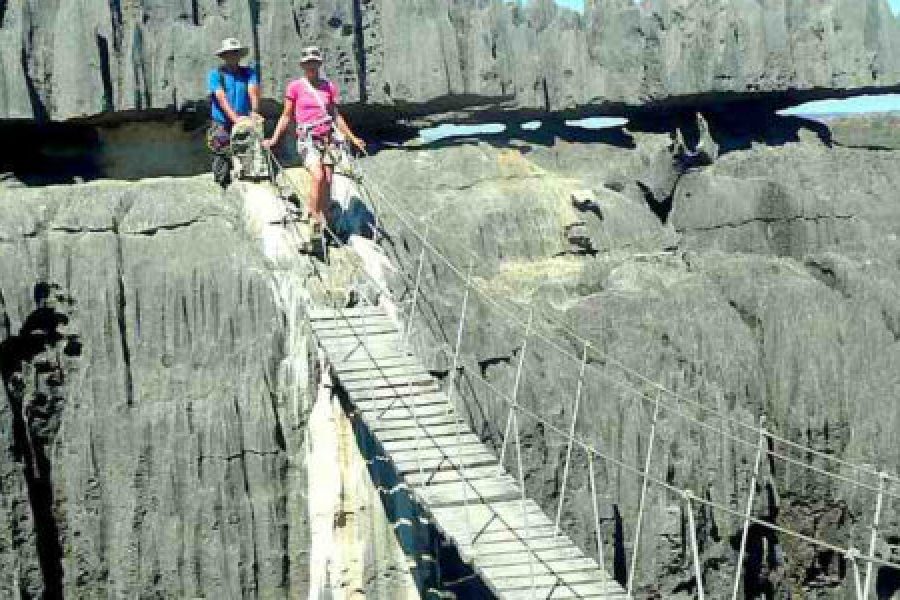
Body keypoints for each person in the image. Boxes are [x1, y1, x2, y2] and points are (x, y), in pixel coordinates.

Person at [263, 46, 366, 235]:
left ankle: (326, 217)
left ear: (319, 64)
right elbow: (286, 116)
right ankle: (312, 216)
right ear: (303, 65)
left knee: (327, 179)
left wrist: (353, 138)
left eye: (314, 62)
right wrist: (274, 139)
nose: (312, 66)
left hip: (328, 138)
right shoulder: (295, 87)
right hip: (308, 138)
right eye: (308, 63)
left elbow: (335, 115)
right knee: (317, 176)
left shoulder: (328, 87)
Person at [207, 38, 261, 187]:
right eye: (229, 54)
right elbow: (221, 98)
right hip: (222, 123)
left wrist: (254, 112)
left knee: (248, 157)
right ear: (223, 56)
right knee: (221, 158)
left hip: (244, 122)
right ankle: (223, 187)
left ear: (239, 55)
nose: (232, 56)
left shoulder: (248, 73)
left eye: (235, 53)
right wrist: (236, 119)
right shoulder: (216, 75)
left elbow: (253, 92)